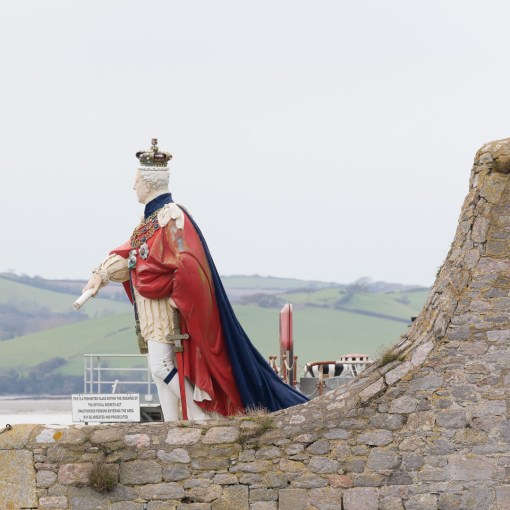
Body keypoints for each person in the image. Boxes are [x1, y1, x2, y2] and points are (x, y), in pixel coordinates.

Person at [83, 139, 308, 421]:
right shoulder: (148, 222)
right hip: (150, 307)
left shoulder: (173, 218)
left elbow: (184, 258)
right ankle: (171, 426)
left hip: (165, 307)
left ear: (149, 184)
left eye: (136, 180)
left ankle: (200, 419)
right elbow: (131, 251)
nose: (133, 187)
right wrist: (101, 274)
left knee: (162, 366)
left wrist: (149, 269)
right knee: (158, 369)